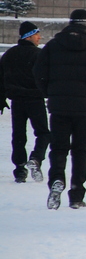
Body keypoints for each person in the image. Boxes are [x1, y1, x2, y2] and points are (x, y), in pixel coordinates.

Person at [34, 9, 86, 210]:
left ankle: (57, 180)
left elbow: (38, 72)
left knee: (58, 148)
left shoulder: (52, 46)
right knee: (80, 150)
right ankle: (77, 194)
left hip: (59, 106)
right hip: (85, 109)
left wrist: (49, 92)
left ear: (70, 23)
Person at [0, 21, 50, 183]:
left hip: (17, 101)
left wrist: (2, 98)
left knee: (19, 135)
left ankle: (20, 170)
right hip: (35, 99)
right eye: (36, 34)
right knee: (43, 133)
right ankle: (35, 158)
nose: (39, 37)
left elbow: (1, 78)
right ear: (29, 36)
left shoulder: (9, 54)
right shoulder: (39, 55)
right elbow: (46, 77)